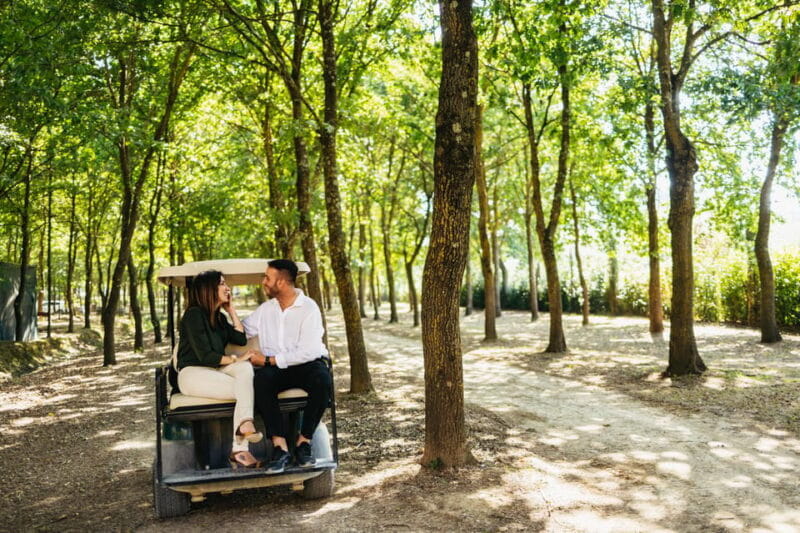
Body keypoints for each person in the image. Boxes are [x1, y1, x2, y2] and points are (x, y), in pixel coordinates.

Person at [243, 259, 332, 473]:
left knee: (322, 380)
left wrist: (267, 360)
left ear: (281, 282)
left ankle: (304, 442)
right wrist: (228, 311)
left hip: (307, 365)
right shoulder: (266, 309)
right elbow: (241, 330)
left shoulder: (309, 308)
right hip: (276, 370)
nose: (264, 282)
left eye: (267, 278)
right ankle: (280, 447)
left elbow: (308, 352)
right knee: (262, 380)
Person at [176, 269, 263, 468]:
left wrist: (231, 310)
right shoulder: (193, 315)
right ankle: (240, 445)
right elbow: (206, 357)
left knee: (245, 371)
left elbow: (240, 338)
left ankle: (241, 437)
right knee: (245, 387)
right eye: (222, 283)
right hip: (193, 374)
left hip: (215, 372)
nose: (228, 288)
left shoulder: (220, 318)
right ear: (209, 288)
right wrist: (237, 358)